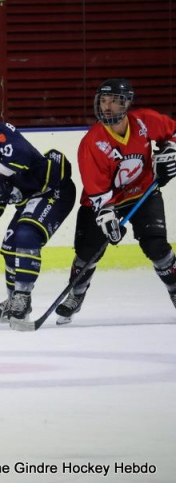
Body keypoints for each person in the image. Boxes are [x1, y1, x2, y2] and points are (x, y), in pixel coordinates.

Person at [55, 78, 176, 325]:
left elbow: (172, 131)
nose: (107, 107)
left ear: (127, 103)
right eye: (104, 100)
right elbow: (97, 191)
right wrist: (108, 217)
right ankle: (75, 295)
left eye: (114, 101)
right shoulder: (91, 142)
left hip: (143, 194)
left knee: (157, 247)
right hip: (102, 203)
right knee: (87, 252)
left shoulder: (144, 121)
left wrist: (171, 149)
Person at [0, 89, 76, 323]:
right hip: (31, 198)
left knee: (25, 234)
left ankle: (22, 297)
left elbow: (19, 155)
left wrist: (4, 175)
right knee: (9, 245)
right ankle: (13, 300)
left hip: (53, 191)